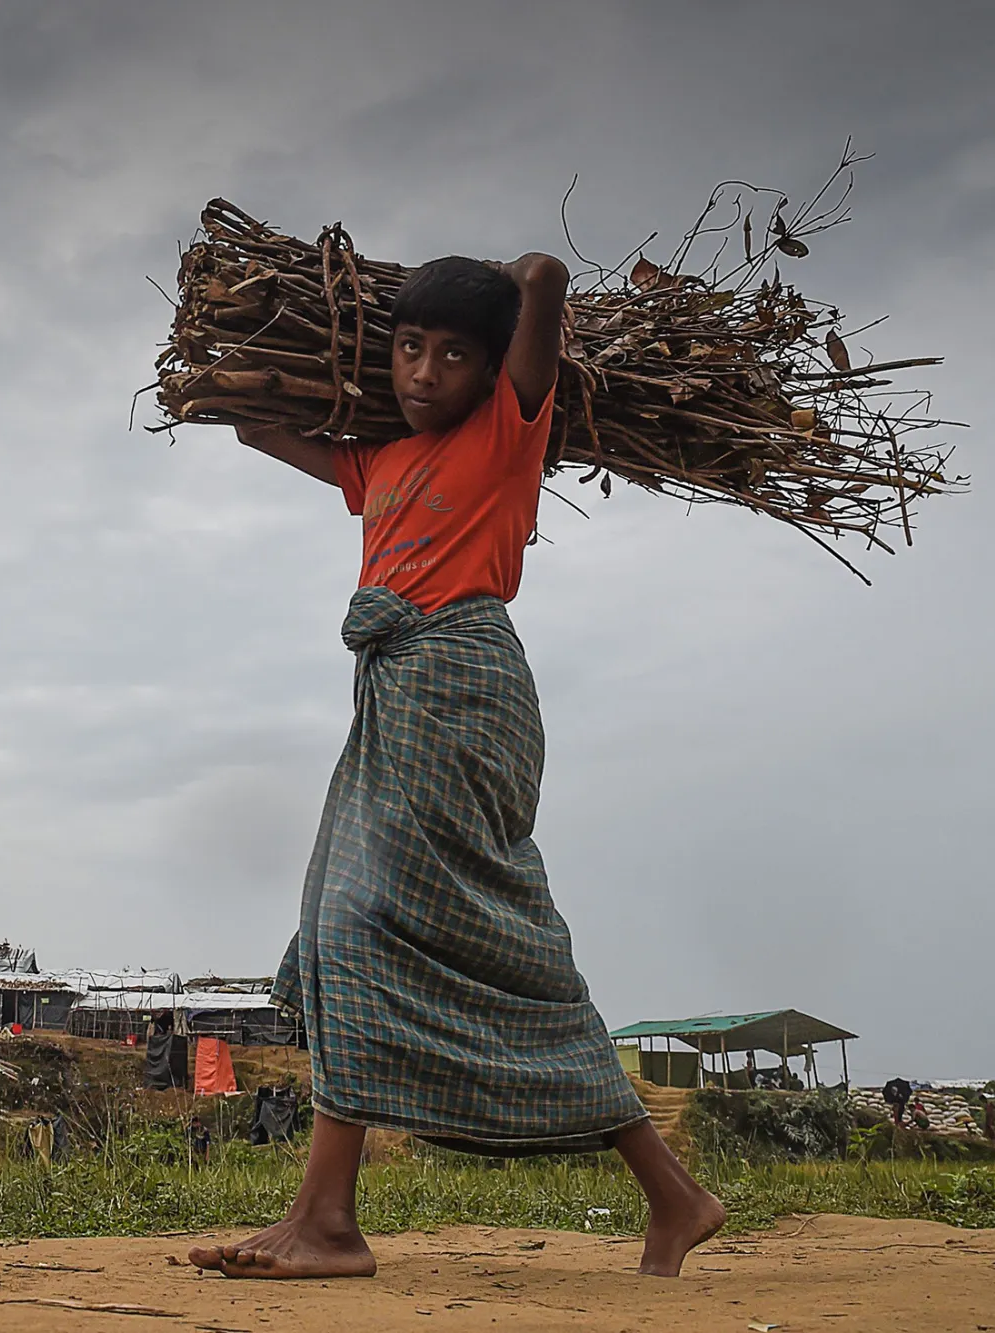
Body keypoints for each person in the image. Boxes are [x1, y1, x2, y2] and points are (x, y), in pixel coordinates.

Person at [187, 254, 724, 1282]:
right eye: (406, 348)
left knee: (359, 920)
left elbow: (544, 296)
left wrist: (532, 281)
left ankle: (329, 1221)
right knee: (385, 927)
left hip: (463, 687)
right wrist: (241, 375)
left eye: (451, 355)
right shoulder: (380, 459)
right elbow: (265, 428)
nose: (424, 372)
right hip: (398, 693)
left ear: (489, 373)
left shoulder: (503, 432)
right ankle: (670, 1192)